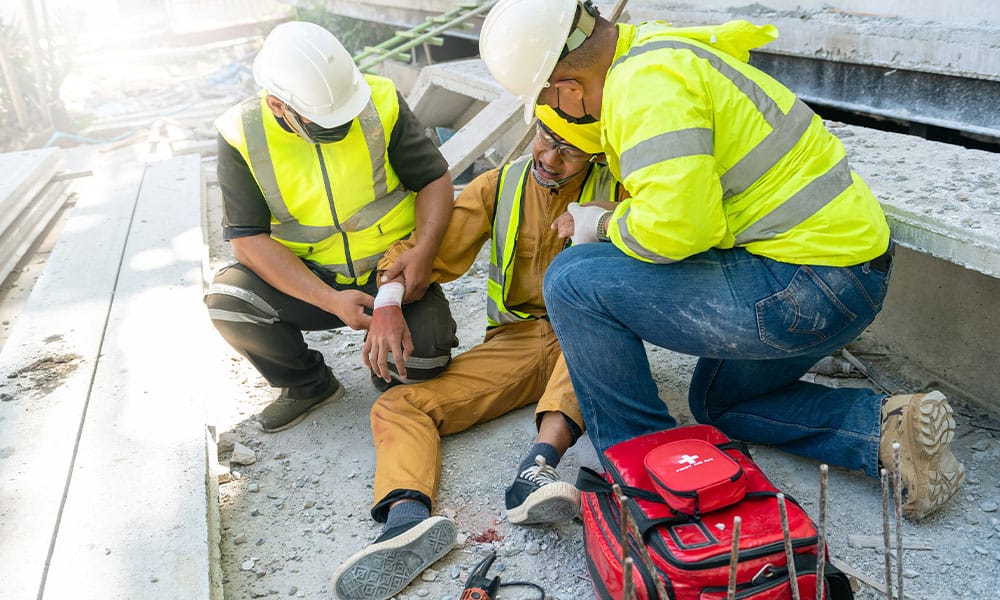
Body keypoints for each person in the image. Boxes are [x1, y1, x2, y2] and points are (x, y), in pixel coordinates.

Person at [479, 0, 965, 521]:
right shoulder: (659, 51)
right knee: (718, 403)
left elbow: (680, 229)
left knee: (574, 280)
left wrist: (599, 225)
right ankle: (887, 432)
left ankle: (645, 466)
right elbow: (697, 197)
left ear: (567, 89)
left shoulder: (644, 87)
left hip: (803, 286)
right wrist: (625, 211)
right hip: (847, 279)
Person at [329, 107, 625, 600]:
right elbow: (429, 251)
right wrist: (386, 300)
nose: (549, 157)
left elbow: (670, 241)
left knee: (593, 331)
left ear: (594, 151)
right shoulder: (500, 185)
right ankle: (406, 519)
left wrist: (602, 224)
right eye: (544, 137)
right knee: (399, 404)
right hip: (518, 342)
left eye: (568, 150)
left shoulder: (620, 189)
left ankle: (535, 469)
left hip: (592, 329)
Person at [204, 21, 458, 432]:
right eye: (326, 124)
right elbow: (248, 241)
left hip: (391, 272)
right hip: (309, 281)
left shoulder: (379, 100)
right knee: (229, 298)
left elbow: (434, 180)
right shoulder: (241, 135)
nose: (341, 129)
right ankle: (307, 385)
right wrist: (330, 300)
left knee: (419, 366)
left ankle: (389, 358)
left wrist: (422, 253)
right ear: (276, 105)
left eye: (346, 116)